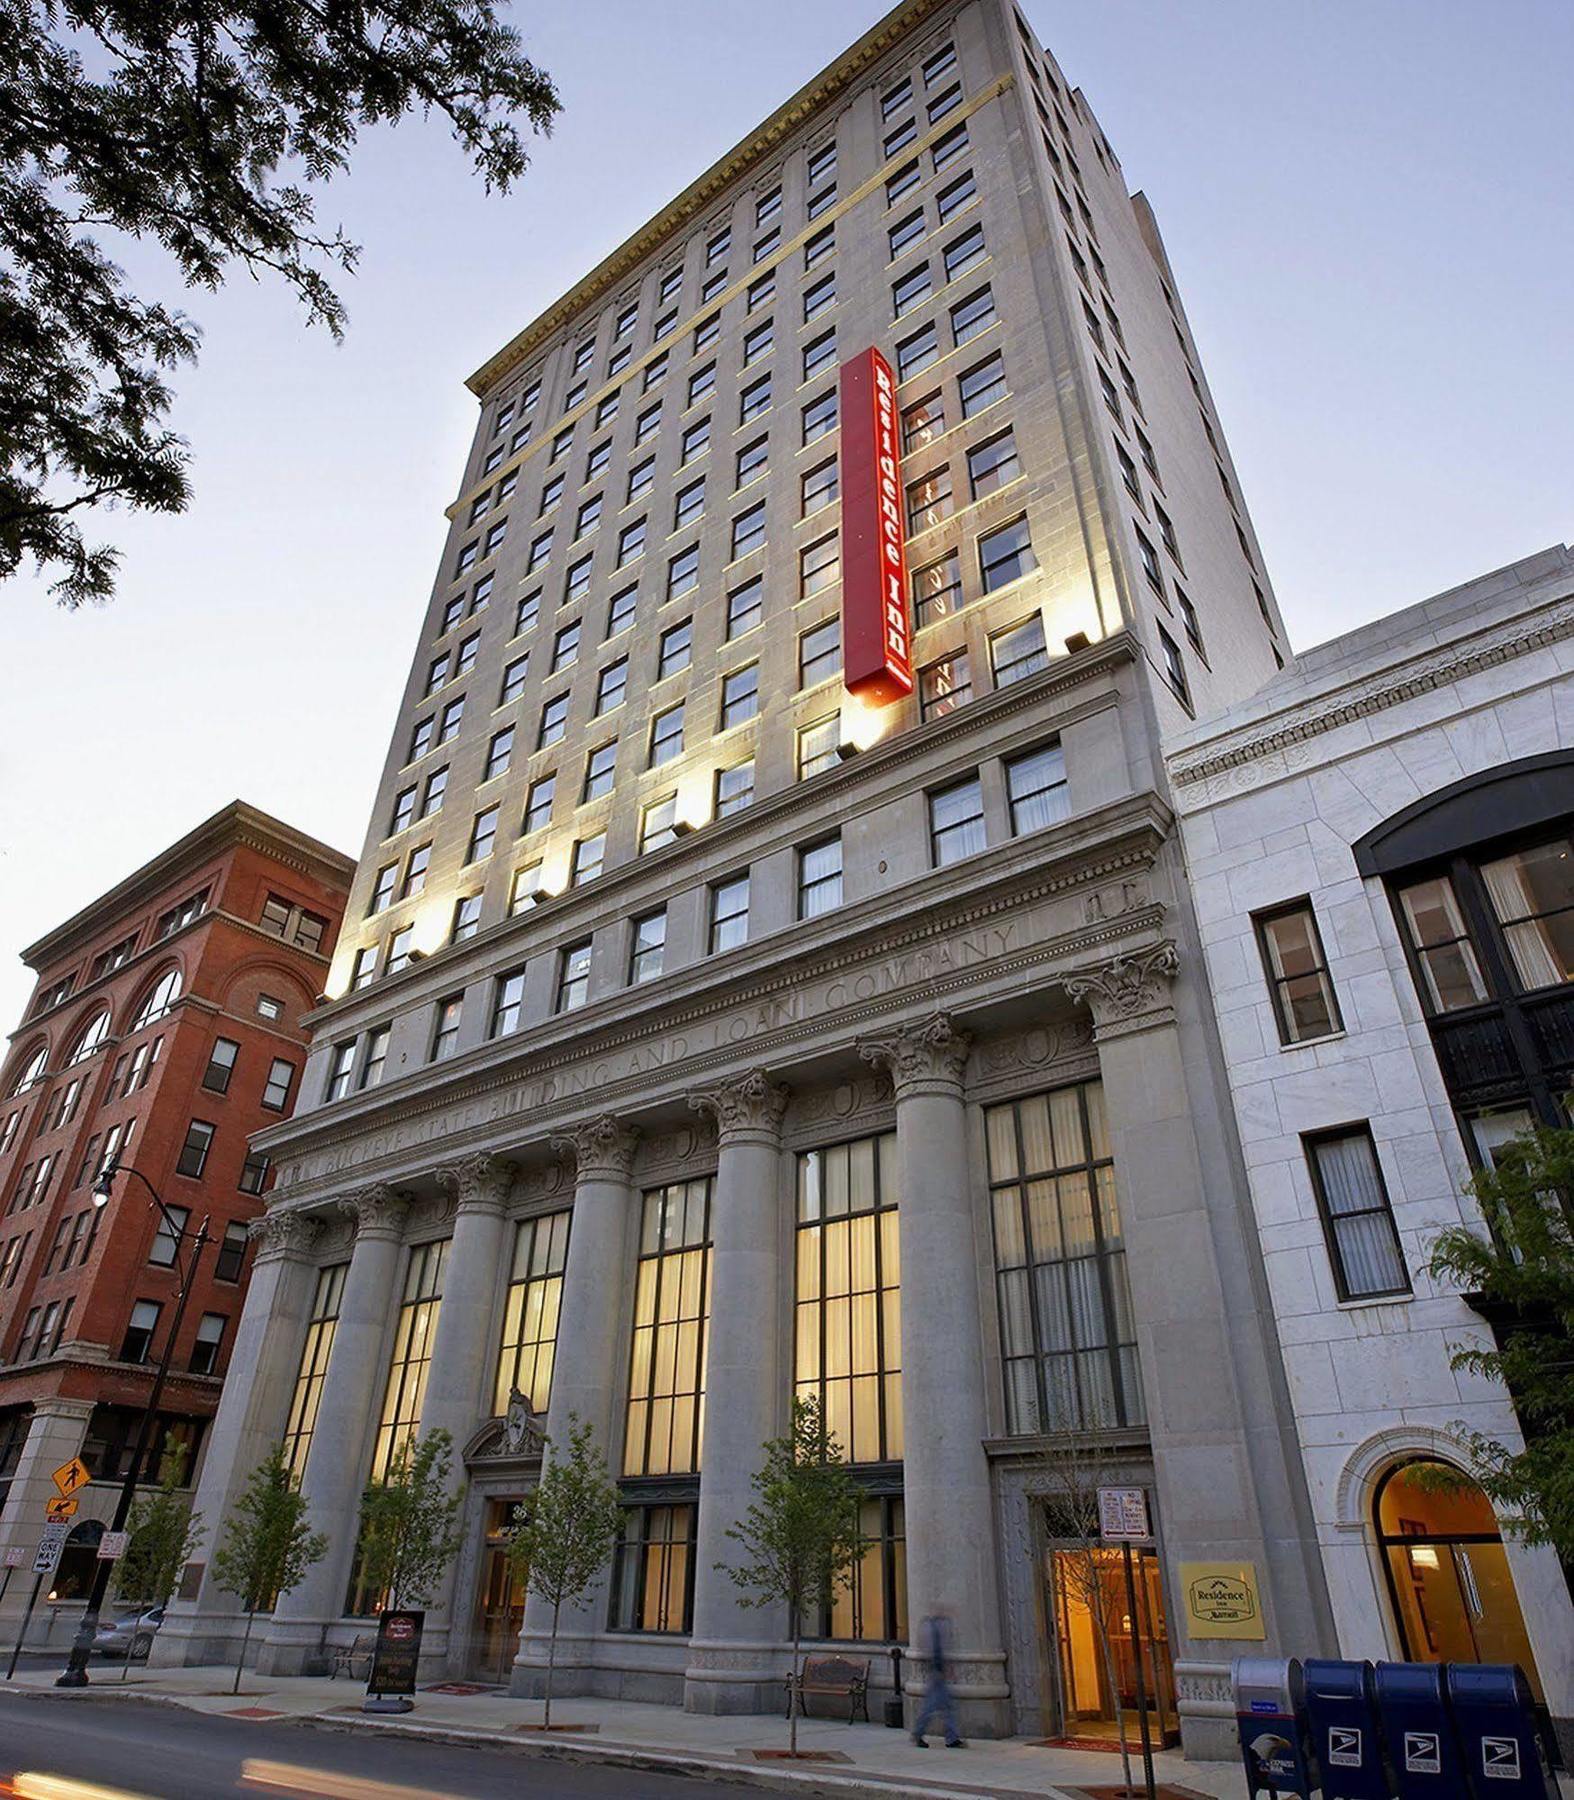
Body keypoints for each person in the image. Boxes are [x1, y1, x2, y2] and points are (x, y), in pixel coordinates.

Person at [912, 1611, 965, 1748]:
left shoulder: (935, 1627)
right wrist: (942, 1669)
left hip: (937, 1671)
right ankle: (920, 1732)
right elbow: (934, 1652)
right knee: (933, 1706)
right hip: (936, 1672)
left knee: (945, 1706)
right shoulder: (932, 1627)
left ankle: (951, 1737)